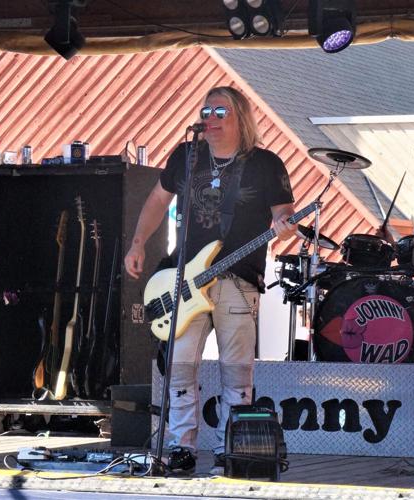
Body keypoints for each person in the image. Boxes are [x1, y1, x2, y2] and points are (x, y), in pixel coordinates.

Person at [124, 86, 296, 474]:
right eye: (206, 111)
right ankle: (180, 446)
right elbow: (156, 200)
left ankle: (231, 446)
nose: (211, 119)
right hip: (185, 278)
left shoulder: (266, 164)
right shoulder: (186, 156)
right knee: (180, 365)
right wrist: (137, 242)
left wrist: (285, 227)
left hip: (239, 278)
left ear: (241, 118)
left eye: (221, 112)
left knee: (236, 370)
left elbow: (284, 213)